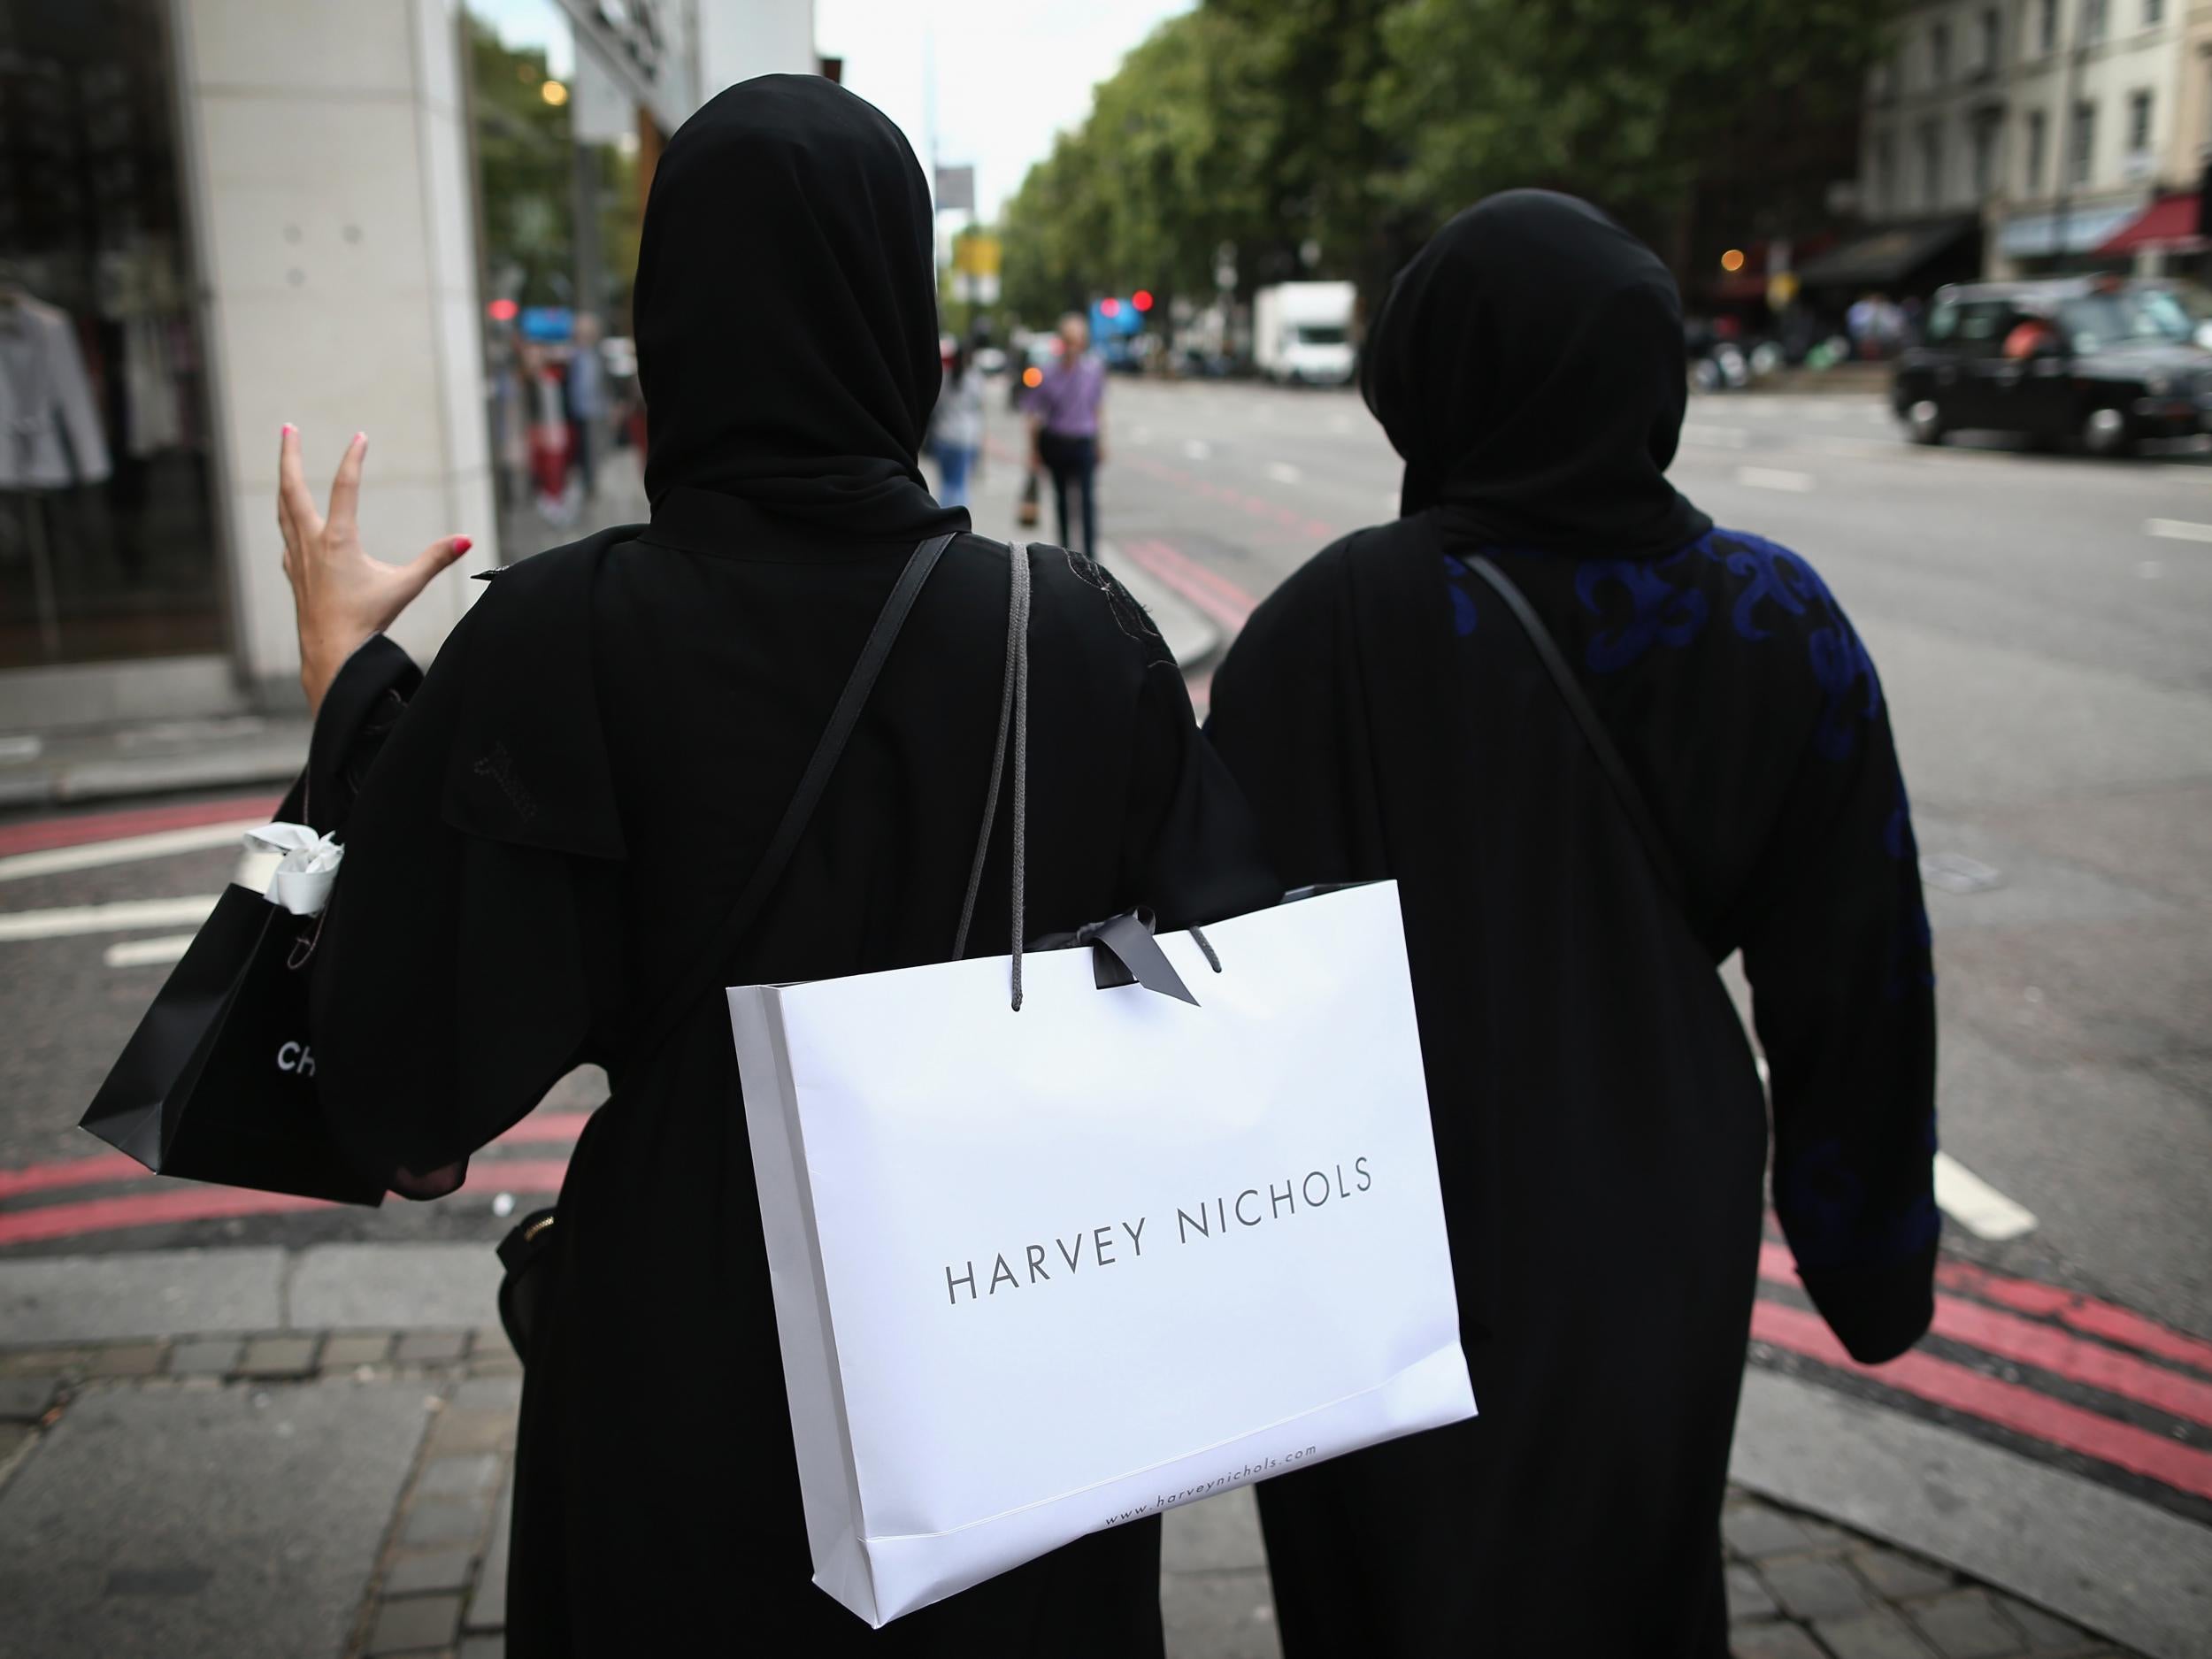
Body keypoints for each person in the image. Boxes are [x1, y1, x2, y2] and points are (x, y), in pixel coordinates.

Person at [273, 75, 1274, 1655]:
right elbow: (1225, 997)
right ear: (906, 321)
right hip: (1015, 1383)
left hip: (686, 1387)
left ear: (675, 325)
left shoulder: (560, 640)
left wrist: (353, 693)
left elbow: (401, 1091)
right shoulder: (1073, 635)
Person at [1205, 190, 1937, 1656]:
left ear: (1423, 376)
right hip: (1648, 1214)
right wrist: (1869, 1259)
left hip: (1368, 1233)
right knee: (1631, 1577)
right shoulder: (1777, 624)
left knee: (1385, 1599)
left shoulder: (1328, 625)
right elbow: (1859, 980)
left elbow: (1214, 965)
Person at [1024, 311, 1105, 557]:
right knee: (1062, 503)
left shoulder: (1094, 371)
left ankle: (1091, 558)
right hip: (1058, 443)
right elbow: (1034, 415)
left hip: (1084, 443)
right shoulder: (1048, 373)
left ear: (1083, 342)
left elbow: (1097, 408)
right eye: (1067, 340)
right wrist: (1034, 452)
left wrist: (1101, 442)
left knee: (1087, 502)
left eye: (1076, 340)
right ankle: (1068, 556)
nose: (1072, 347)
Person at [926, 337, 984, 508]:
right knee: (960, 484)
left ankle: (942, 516)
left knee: (945, 483)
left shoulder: (944, 377)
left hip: (943, 435)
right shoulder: (974, 379)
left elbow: (936, 406)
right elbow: (979, 408)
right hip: (964, 437)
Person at [565, 311, 604, 503]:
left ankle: (590, 482)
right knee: (581, 448)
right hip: (578, 410)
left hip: (591, 409)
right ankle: (583, 481)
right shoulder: (575, 356)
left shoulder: (593, 357)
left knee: (590, 448)